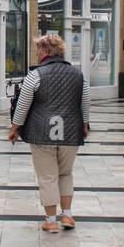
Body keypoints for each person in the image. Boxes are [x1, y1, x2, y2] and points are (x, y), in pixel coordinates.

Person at [8, 32, 89, 233]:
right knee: (65, 173)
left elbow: (23, 104)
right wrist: (85, 124)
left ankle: (51, 220)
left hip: (41, 131)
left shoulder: (35, 75)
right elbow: (85, 101)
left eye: (38, 49)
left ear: (45, 50)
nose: (36, 53)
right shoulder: (78, 75)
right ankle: (68, 215)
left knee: (47, 176)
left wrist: (15, 127)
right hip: (70, 132)